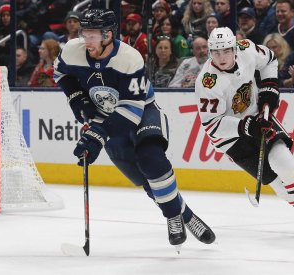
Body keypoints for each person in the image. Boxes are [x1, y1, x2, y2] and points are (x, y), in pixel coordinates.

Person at [53, 9, 215, 249]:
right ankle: (186, 215)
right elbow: (61, 73)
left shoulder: (130, 58)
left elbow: (131, 110)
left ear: (108, 34)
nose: (87, 39)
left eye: (93, 34)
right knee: (146, 181)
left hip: (142, 111)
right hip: (105, 116)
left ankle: (172, 216)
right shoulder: (71, 50)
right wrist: (79, 100)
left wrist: (97, 135)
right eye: (84, 33)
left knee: (152, 160)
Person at [194, 27, 294, 235]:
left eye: (226, 51)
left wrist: (269, 88)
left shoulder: (247, 49)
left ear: (235, 47)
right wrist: (247, 126)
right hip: (230, 139)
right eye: (216, 52)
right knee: (272, 178)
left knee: (284, 163)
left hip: (258, 117)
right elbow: (212, 124)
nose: (221, 57)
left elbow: (270, 60)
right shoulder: (207, 81)